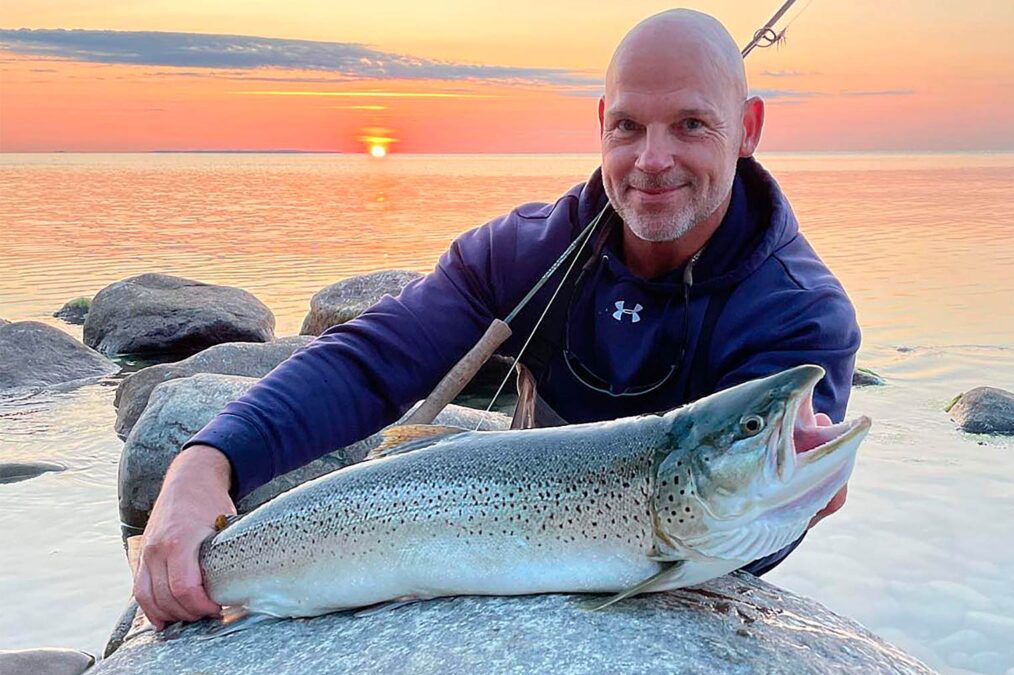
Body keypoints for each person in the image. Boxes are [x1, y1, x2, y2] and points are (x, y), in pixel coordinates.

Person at [133, 9, 860, 630]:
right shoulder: (526, 253)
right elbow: (372, 360)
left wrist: (791, 505)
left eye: (693, 124)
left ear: (748, 128)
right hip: (495, 513)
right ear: (600, 124)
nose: (652, 158)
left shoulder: (800, 316)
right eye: (629, 125)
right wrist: (205, 462)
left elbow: (731, 526)